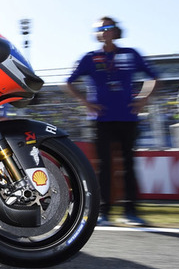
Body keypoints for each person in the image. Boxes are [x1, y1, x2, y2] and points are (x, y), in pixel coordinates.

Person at [66, 16, 158, 226]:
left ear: (116, 31)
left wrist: (143, 98)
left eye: (109, 28)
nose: (105, 31)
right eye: (101, 29)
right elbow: (69, 82)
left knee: (129, 165)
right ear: (97, 34)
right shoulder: (90, 58)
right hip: (102, 120)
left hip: (128, 119)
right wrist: (85, 102)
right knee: (104, 167)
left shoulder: (131, 54)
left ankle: (131, 211)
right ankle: (104, 213)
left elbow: (154, 77)